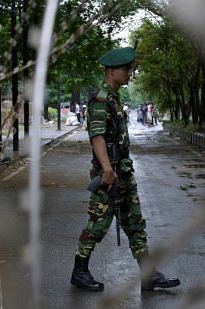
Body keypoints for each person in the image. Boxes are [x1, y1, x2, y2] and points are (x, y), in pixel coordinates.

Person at [71, 47, 180, 292]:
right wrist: (107, 171)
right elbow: (97, 137)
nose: (130, 73)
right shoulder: (100, 98)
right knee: (97, 224)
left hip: (124, 171)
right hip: (108, 175)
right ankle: (79, 271)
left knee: (134, 223)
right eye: (126, 69)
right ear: (111, 71)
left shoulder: (114, 97)